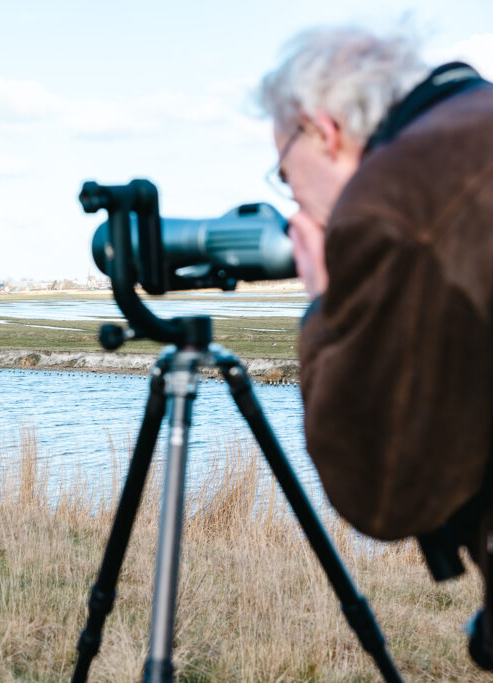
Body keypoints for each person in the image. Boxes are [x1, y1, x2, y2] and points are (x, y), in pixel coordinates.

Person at [257, 25, 493, 667]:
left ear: (321, 129)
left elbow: (384, 493)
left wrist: (327, 307)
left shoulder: (395, 205)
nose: (295, 200)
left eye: (285, 173)